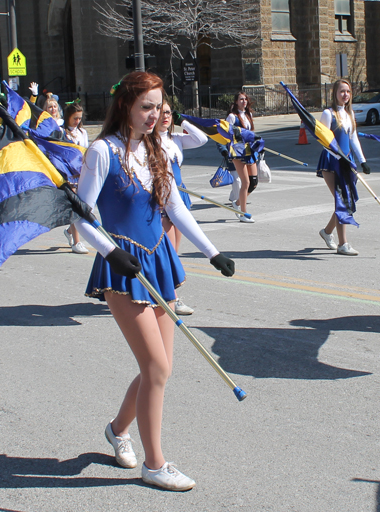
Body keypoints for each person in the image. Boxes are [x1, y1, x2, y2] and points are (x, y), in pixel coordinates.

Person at [74, 71, 235, 491]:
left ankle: (117, 430)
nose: (154, 114)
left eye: (158, 106)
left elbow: (175, 207)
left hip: (158, 262)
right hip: (121, 267)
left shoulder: (155, 149)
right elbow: (81, 216)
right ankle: (155, 463)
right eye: (146, 106)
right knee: (156, 367)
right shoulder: (101, 152)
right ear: (125, 105)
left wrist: (211, 251)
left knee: (158, 370)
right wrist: (112, 252)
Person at [158, 99, 208, 315]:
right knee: (168, 252)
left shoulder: (175, 139)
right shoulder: (148, 141)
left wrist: (183, 121)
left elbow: (202, 138)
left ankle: (163, 293)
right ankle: (172, 298)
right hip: (162, 199)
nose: (166, 116)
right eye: (162, 112)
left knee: (175, 253)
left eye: (169, 112)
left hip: (180, 197)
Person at [316, 79, 370, 256]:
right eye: (342, 91)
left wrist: (362, 161)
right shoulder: (328, 113)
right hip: (332, 163)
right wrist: (338, 156)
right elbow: (323, 141)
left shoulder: (349, 114)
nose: (345, 94)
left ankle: (327, 232)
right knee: (342, 201)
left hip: (348, 162)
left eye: (348, 91)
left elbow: (353, 139)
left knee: (345, 201)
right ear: (335, 93)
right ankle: (343, 244)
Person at [225, 91, 258, 223]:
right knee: (245, 182)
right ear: (236, 102)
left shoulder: (248, 115)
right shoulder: (232, 117)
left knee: (254, 182)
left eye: (245, 99)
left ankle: (237, 203)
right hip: (238, 151)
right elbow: (226, 134)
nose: (244, 101)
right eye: (241, 99)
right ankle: (243, 213)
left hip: (250, 150)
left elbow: (251, 132)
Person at [62, 99, 89, 254]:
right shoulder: (61, 132)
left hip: (81, 173)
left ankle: (70, 232)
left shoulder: (82, 132)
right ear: (68, 117)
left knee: (83, 205)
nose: (78, 121)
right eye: (75, 118)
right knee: (75, 208)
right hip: (68, 174)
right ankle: (76, 243)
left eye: (80, 118)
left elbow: (85, 150)